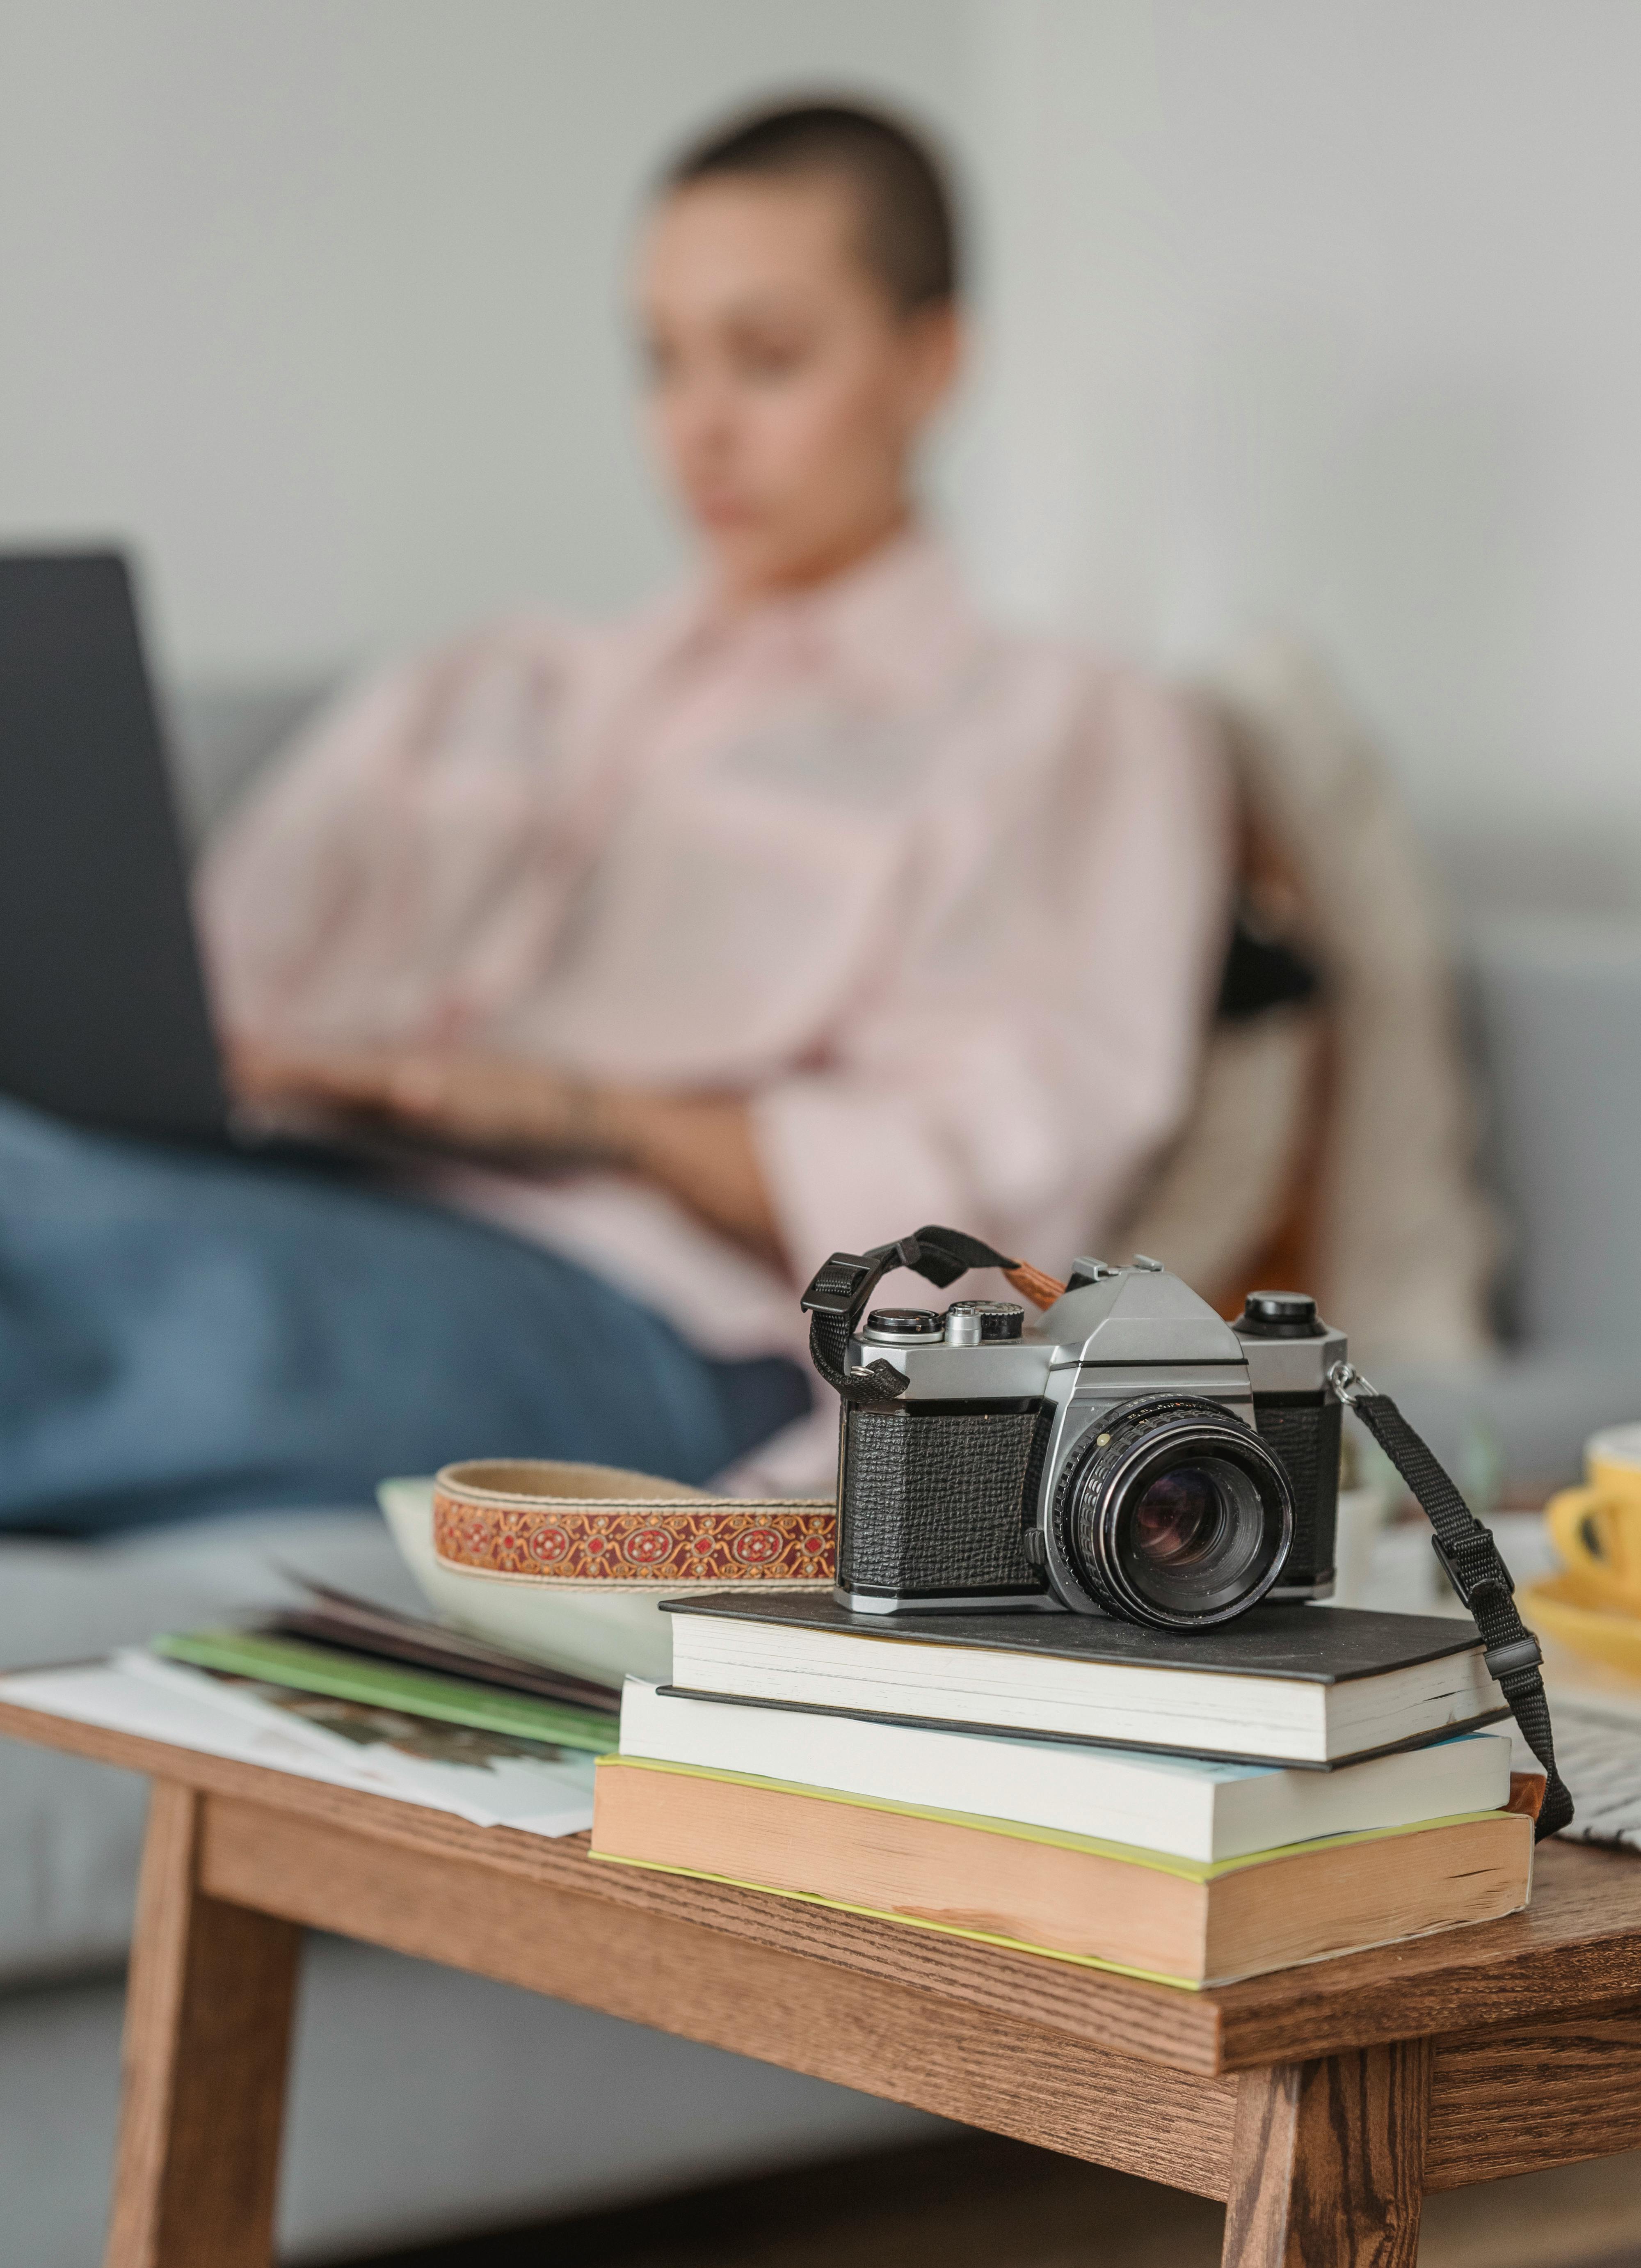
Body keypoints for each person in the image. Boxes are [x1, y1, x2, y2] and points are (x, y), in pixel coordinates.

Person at [0, 99, 1230, 1534]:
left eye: (767, 359)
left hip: (635, 1309)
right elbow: (178, 997)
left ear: (929, 360)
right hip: (267, 1186)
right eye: (662, 362)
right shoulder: (484, 684)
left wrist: (600, 1115)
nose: (699, 429)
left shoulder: (1068, 727)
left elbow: (983, 1232)